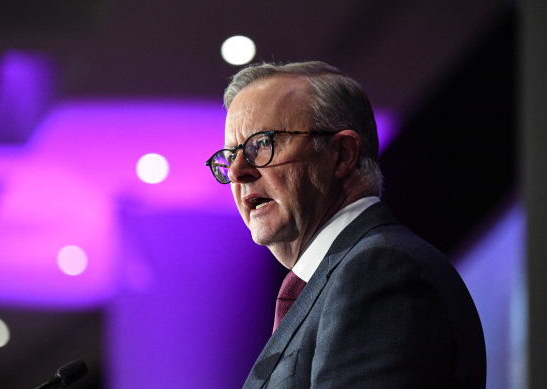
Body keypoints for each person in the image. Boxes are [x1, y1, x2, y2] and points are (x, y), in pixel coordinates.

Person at [206, 61, 486, 388]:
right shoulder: (339, 279)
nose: (238, 172)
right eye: (231, 155)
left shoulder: (380, 270)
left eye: (262, 145)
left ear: (341, 154)